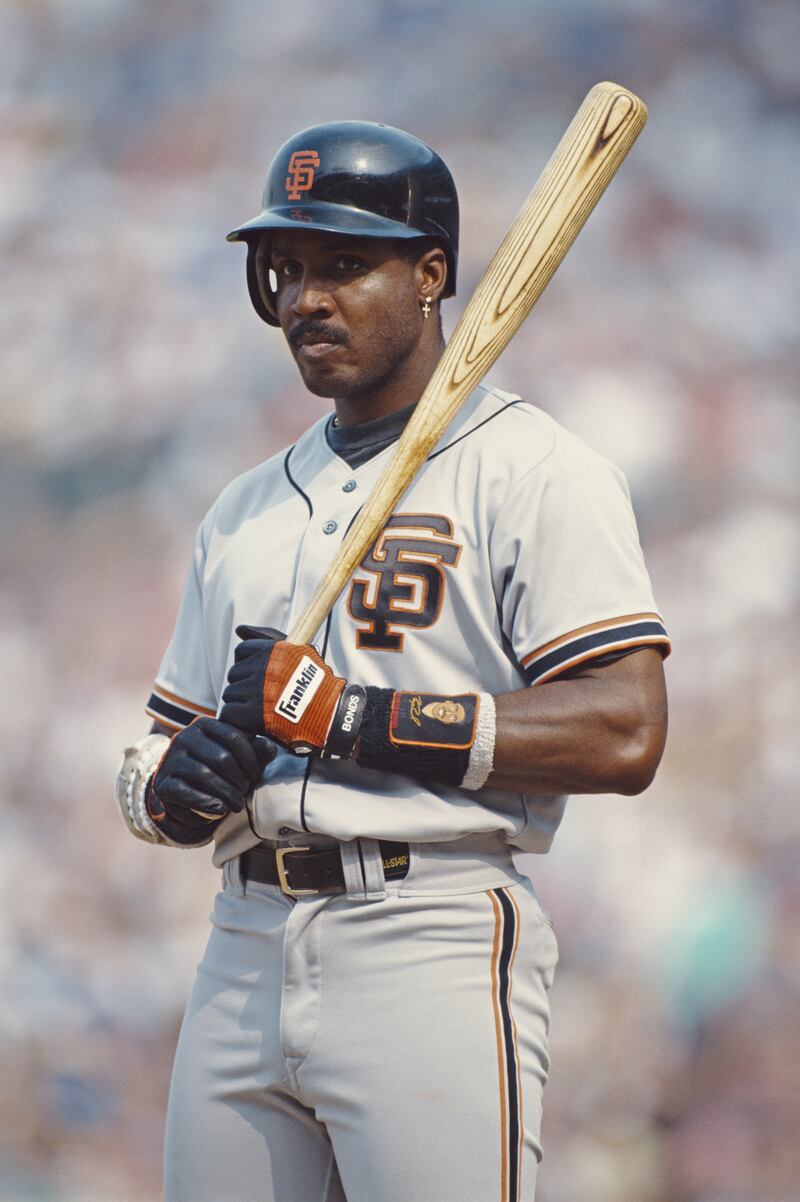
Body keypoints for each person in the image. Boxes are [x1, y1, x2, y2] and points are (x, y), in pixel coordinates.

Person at [116, 120, 670, 1202]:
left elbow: (626, 726)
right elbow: (162, 742)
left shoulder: (536, 468)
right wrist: (163, 789)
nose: (305, 299)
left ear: (429, 275)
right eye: (286, 269)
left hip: (430, 931)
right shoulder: (242, 504)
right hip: (239, 938)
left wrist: (357, 720)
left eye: (343, 264)